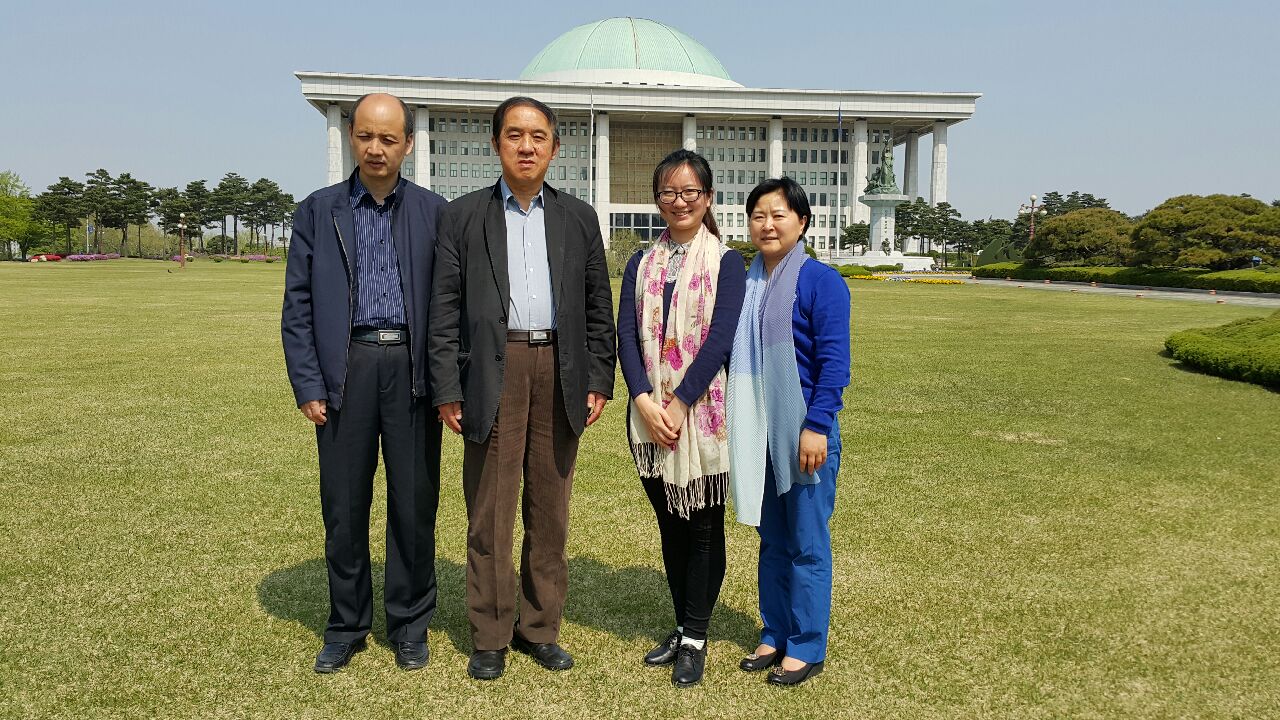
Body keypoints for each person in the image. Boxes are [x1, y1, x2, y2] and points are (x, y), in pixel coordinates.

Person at [428, 96, 616, 681]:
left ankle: (539, 628)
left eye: (538, 137)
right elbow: (445, 309)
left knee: (549, 508)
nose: (527, 146)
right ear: (496, 145)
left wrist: (598, 377)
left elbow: (595, 307)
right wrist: (445, 387)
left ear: (556, 148)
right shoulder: (462, 217)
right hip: (491, 367)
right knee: (489, 509)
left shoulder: (579, 218)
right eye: (514, 135)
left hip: (559, 368)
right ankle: (489, 633)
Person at [281, 93, 447, 673]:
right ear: (353, 137)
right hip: (345, 369)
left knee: (413, 504)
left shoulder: (433, 212)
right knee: (344, 508)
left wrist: (445, 382)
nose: (377, 149)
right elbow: (297, 305)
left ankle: (409, 624)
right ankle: (347, 625)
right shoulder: (318, 212)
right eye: (366, 136)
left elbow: (449, 306)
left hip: (411, 374)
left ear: (407, 143)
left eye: (389, 138)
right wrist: (309, 383)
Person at [616, 149, 745, 687]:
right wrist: (644, 399)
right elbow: (624, 334)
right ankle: (682, 622)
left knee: (701, 530)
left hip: (703, 415)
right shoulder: (642, 263)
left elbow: (719, 340)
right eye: (669, 192)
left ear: (708, 198)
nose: (680, 201)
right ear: (657, 200)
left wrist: (678, 401)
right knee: (670, 526)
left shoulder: (727, 261)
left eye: (690, 192)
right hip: (648, 419)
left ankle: (696, 634)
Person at [728, 176, 851, 686]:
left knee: (805, 542)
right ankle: (774, 630)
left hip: (803, 434)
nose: (768, 224)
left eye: (779, 214)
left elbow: (834, 364)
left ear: (801, 222)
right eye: (759, 215)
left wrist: (816, 426)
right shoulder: (746, 283)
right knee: (772, 540)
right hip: (759, 432)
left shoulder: (822, 282)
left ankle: (805, 644)